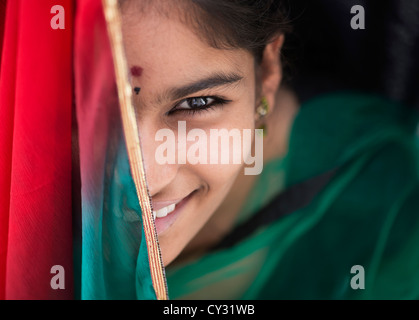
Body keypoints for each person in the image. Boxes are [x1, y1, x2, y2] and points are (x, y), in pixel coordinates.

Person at [112, 0, 419, 299]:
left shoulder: (384, 214)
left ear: (266, 75)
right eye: (88, 114)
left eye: (197, 103)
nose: (147, 180)